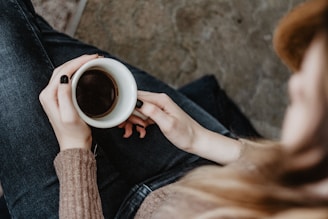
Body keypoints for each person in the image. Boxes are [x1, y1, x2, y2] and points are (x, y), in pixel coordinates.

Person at [2, 0, 328, 219]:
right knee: (21, 31)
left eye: (309, 97)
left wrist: (75, 152)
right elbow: (294, 166)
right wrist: (200, 139)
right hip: (196, 168)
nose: (293, 86)